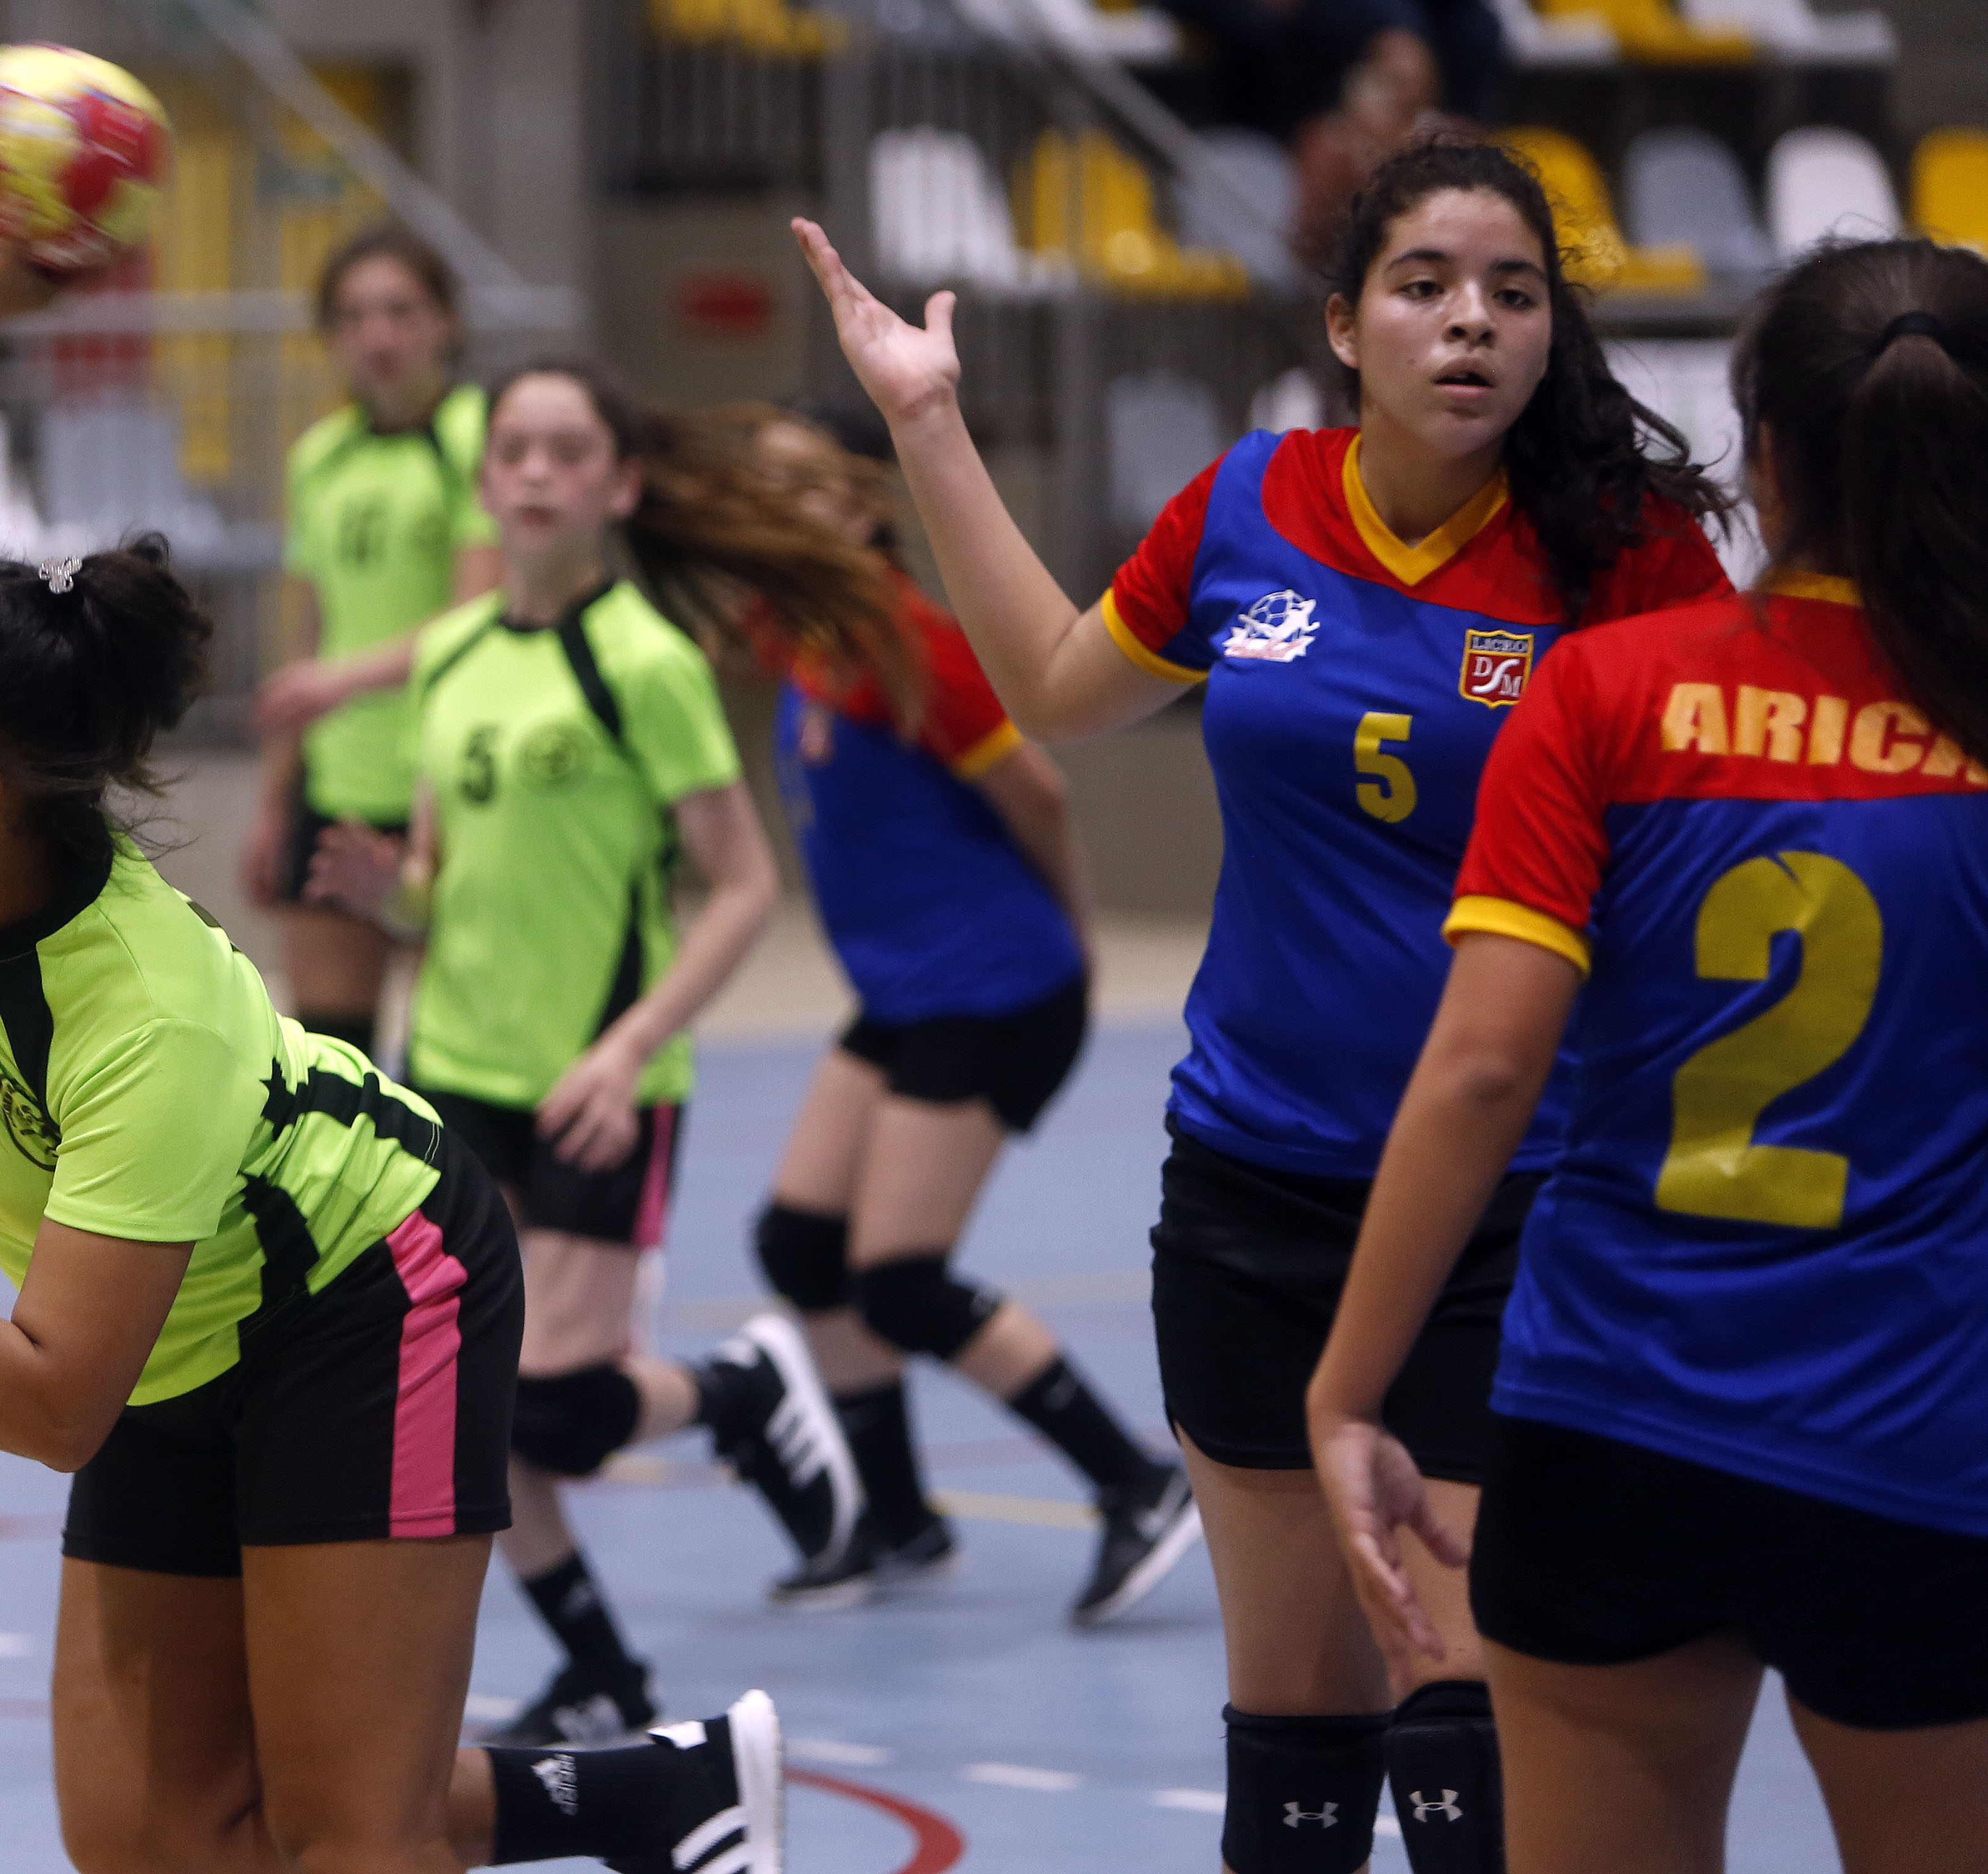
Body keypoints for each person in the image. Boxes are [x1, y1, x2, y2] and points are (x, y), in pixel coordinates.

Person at [0, 255, 784, 1874]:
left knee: (344, 1840)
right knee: (147, 1839)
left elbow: (56, 1398)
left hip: (362, 1296)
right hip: (168, 1334)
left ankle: (613, 1798)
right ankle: (644, 1797)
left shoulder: (147, 1014)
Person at [796, 134, 1730, 1874]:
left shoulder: (1627, 554)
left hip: (1516, 1206)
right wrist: (926, 422)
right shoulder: (1250, 503)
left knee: (1456, 1708)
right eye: (1425, 287)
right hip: (1253, 1191)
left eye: (1513, 293)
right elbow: (1057, 689)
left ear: (1552, 333)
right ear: (1344, 325)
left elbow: (1719, 857)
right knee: (1296, 1744)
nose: (1472, 323)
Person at [1309, 237, 1988, 1872]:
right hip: (1914, 1440)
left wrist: (1345, 1391)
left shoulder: (1607, 692)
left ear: (1765, 458)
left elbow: (1481, 1072)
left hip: (1606, 1428)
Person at [310, 360, 904, 1747]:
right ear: (485, 480)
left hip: (599, 1084)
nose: (534, 473)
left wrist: (633, 1046)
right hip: (454, 1076)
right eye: (514, 449)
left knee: (558, 1413)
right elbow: (438, 888)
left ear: (620, 485)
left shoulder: (646, 662)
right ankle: (608, 1675)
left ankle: (738, 1393)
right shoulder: (451, 657)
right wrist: (388, 895)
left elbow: (743, 886)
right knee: (469, 1408)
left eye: (568, 451)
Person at [740, 404, 1200, 1622]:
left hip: (995, 988)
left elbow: (1037, 794)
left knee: (899, 1278)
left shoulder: (909, 642)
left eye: (803, 486)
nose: (776, 511)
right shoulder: (799, 629)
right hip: (906, 991)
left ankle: (1134, 1482)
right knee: (799, 1244)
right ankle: (899, 1519)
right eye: (762, 489)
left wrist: (1075, 941)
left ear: (864, 502)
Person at [244, 222, 505, 1060]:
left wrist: (339, 681)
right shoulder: (321, 456)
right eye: (352, 317)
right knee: (331, 1065)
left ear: (445, 323)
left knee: (450, 1063)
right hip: (339, 783)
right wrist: (275, 802)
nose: (376, 336)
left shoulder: (481, 438)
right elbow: (311, 632)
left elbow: (476, 615)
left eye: (399, 311)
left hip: (447, 782)